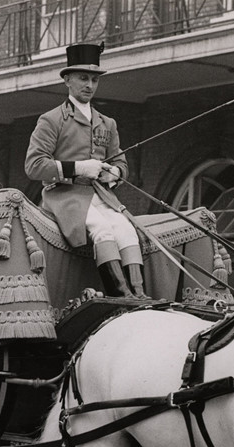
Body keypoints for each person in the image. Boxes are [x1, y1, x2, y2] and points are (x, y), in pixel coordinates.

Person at [24, 42, 145, 298]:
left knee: (125, 229)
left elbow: (122, 164)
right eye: (82, 78)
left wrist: (114, 174)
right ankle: (121, 295)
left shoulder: (107, 123)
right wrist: (80, 168)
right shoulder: (52, 120)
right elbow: (34, 166)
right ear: (67, 80)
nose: (89, 85)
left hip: (100, 196)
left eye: (94, 79)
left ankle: (139, 293)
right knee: (101, 228)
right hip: (65, 196)